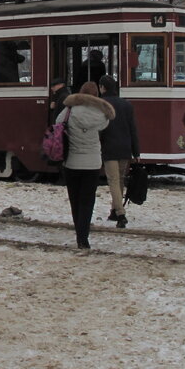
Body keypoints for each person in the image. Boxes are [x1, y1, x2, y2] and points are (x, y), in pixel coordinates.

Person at [56, 80, 114, 249]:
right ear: (96, 95)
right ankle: (84, 237)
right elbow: (105, 125)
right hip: (93, 164)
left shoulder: (69, 111)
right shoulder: (101, 114)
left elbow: (58, 124)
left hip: (72, 162)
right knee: (87, 201)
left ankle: (78, 233)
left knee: (75, 200)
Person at [98, 74, 139, 228]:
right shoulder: (126, 105)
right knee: (120, 180)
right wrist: (137, 152)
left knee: (113, 181)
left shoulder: (101, 104)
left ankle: (121, 214)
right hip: (125, 148)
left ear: (103, 87)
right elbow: (132, 130)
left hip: (109, 148)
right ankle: (114, 210)